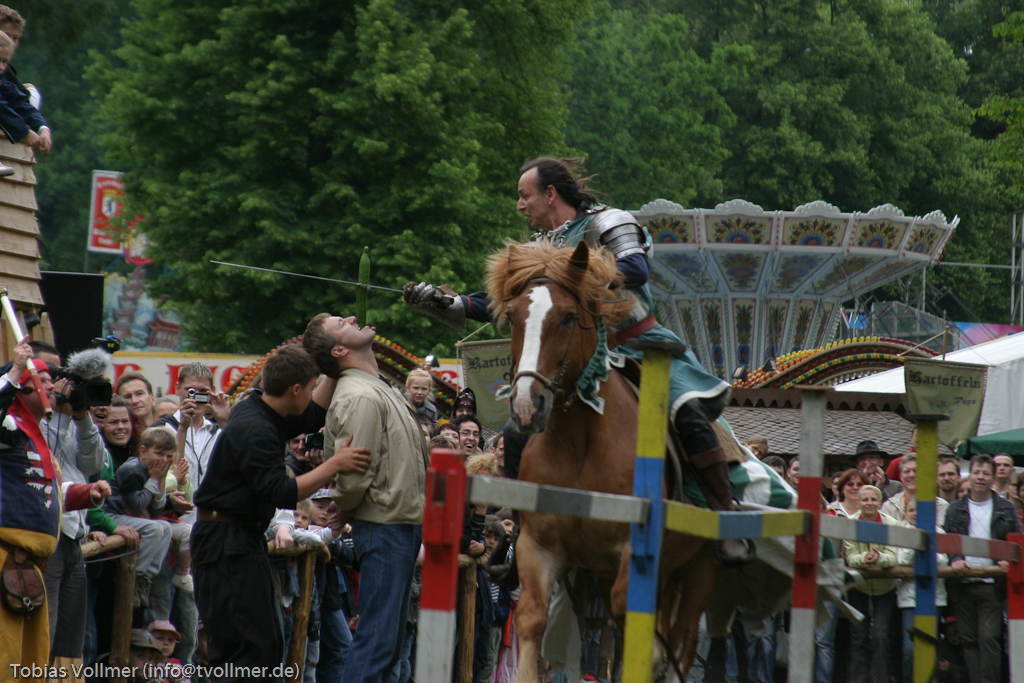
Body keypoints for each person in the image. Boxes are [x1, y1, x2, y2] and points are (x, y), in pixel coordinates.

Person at [404, 156, 744, 560]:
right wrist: (448, 302)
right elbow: (510, 302)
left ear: (550, 194)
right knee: (516, 428)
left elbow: (635, 269)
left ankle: (725, 516)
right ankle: (528, 529)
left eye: (524, 195)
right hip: (570, 359)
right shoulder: (535, 249)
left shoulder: (608, 222)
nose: (519, 205)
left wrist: (564, 274)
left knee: (687, 411)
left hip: (637, 346)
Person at [191, 344, 371, 682]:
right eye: (312, 386)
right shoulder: (256, 428)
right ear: (296, 389)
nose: (314, 393)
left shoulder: (260, 409)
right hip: (224, 545)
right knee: (249, 650)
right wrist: (334, 464)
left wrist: (333, 366)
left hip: (238, 540)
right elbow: (281, 492)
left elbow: (312, 414)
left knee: (263, 646)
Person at [302, 313, 429, 683]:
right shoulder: (358, 396)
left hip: (397, 525)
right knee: (376, 644)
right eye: (342, 323)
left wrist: (346, 504)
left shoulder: (374, 388)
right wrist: (344, 504)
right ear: (339, 350)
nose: (353, 317)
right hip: (385, 527)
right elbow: (355, 472)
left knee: (387, 646)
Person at [0, 343, 109, 671]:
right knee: (7, 655)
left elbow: (44, 491)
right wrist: (15, 371)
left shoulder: (32, 436)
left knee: (35, 654)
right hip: (7, 556)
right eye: (44, 379)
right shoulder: (9, 428)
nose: (54, 386)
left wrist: (86, 495)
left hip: (33, 560)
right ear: (23, 389)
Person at [942, 454, 1021, 683]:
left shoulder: (1005, 508)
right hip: (962, 583)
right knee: (968, 640)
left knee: (989, 638)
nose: (980, 477)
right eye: (976, 472)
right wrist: (955, 559)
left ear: (993, 478)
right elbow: (948, 541)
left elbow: (1016, 542)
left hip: (992, 584)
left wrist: (1007, 559)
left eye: (985, 473)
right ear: (969, 476)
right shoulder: (955, 509)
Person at [103, 426, 176, 607]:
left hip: (128, 517)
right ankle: (136, 577)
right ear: (143, 452)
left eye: (169, 457)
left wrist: (160, 480)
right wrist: (154, 480)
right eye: (159, 454)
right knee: (154, 528)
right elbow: (138, 505)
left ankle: (146, 579)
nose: (164, 461)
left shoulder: (153, 471)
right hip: (113, 515)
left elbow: (157, 510)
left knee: (166, 528)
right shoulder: (133, 470)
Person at [844, 485, 899, 683]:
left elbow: (893, 557)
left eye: (873, 499)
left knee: (880, 634)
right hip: (858, 586)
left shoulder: (891, 523)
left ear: (880, 502)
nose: (869, 503)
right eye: (865, 500)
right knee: (858, 635)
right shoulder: (850, 524)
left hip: (886, 587)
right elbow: (851, 557)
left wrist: (878, 558)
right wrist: (866, 558)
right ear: (858, 503)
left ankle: (880, 679)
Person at [881, 454, 949, 527]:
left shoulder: (941, 506)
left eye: (916, 471)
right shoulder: (889, 507)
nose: (911, 475)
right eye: (907, 471)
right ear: (901, 476)